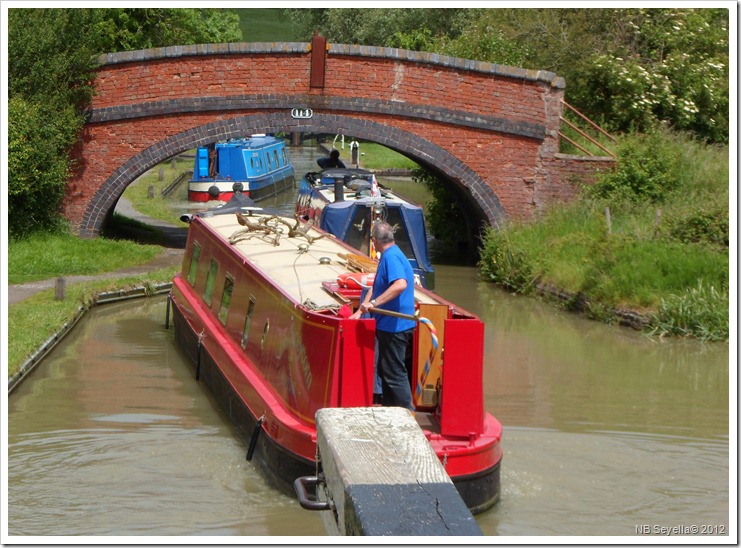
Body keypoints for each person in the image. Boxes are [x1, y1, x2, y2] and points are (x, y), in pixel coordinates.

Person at [350, 222, 416, 410]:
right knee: (386, 370)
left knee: (394, 373)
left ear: (375, 241)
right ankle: (390, 411)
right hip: (391, 325)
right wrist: (360, 312)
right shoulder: (391, 254)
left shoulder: (391, 258)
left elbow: (400, 284)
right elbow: (377, 287)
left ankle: (407, 416)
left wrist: (374, 304)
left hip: (394, 327)